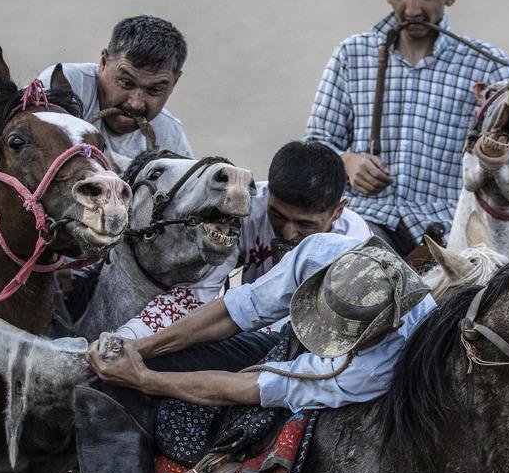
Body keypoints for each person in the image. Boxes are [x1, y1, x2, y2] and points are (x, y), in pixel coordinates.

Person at [29, 232, 434, 473]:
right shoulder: (323, 251)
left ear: (390, 325)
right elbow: (240, 309)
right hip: (285, 344)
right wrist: (140, 349)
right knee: (107, 382)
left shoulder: (372, 368)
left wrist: (146, 380)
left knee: (132, 383)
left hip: (310, 382)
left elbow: (253, 388)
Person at [306, 0, 509, 254]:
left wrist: (497, 155)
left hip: (450, 233)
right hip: (364, 222)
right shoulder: (353, 54)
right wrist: (346, 161)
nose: (413, 8)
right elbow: (314, 145)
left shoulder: (489, 68)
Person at [116, 140, 373, 339]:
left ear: (338, 211)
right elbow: (197, 291)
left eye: (306, 224)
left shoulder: (356, 244)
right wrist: (129, 338)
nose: (288, 233)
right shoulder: (245, 206)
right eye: (278, 216)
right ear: (269, 193)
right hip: (241, 325)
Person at [38, 15, 192, 171]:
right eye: (126, 83)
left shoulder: (170, 138)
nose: (136, 103)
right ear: (103, 63)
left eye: (154, 90)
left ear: (175, 82)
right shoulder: (64, 86)